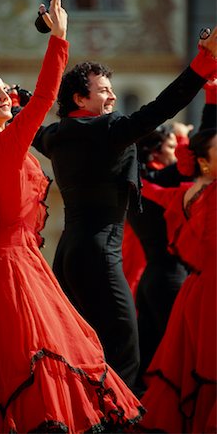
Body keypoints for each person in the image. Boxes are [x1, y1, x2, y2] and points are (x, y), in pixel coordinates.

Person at [0, 0, 145, 432]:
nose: (5, 97)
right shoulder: (4, 143)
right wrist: (59, 40)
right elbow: (42, 98)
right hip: (14, 266)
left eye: (4, 90)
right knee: (39, 355)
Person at [32, 26, 217, 391]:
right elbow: (162, 107)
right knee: (124, 357)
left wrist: (21, 99)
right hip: (100, 255)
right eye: (104, 90)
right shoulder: (109, 130)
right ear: (80, 99)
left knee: (81, 350)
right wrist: (203, 62)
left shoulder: (54, 136)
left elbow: (32, 125)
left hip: (67, 255)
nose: (114, 95)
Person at [138, 126, 217, 433]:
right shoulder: (203, 193)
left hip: (196, 289)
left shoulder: (186, 193)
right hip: (206, 291)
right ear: (205, 161)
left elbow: (151, 190)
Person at [126, 123, 191, 390]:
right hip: (170, 278)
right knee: (179, 353)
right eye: (171, 147)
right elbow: (189, 167)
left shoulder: (138, 186)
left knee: (148, 354)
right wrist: (186, 138)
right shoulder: (156, 186)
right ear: (154, 152)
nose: (176, 154)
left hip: (152, 279)